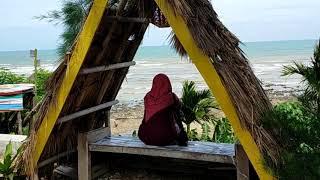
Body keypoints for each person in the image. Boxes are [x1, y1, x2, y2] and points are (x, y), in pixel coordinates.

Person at [138, 74, 188, 146]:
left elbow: (145, 118)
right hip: (165, 138)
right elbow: (178, 118)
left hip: (147, 137)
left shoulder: (147, 97)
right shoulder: (172, 98)